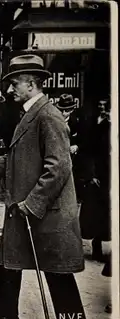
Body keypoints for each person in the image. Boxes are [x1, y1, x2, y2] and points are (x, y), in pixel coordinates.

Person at [0, 54, 90, 319]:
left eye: (14, 83)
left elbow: (58, 167)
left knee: (56, 270)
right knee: (10, 260)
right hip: (25, 209)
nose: (9, 89)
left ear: (32, 84)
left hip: (45, 212)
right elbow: (17, 161)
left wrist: (32, 203)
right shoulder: (31, 113)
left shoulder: (48, 116)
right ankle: (5, 314)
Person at [77, 97, 110, 262]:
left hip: (110, 172)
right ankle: (96, 245)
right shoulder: (93, 124)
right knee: (97, 211)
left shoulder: (110, 124)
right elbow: (89, 151)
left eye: (105, 107)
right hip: (98, 173)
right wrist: (92, 174)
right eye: (100, 106)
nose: (102, 109)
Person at [55, 94, 83, 199]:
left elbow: (84, 139)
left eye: (66, 111)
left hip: (73, 159)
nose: (63, 113)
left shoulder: (77, 122)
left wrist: (76, 146)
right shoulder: (54, 120)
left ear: (71, 110)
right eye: (60, 110)